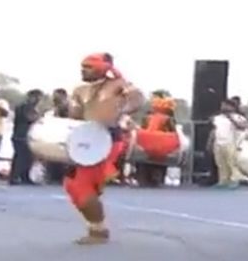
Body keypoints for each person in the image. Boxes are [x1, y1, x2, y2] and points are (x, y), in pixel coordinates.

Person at [65, 52, 145, 245]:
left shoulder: (117, 85)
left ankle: (98, 231)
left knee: (82, 186)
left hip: (107, 140)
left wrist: (123, 108)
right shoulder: (80, 89)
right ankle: (96, 227)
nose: (83, 70)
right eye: (82, 66)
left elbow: (138, 98)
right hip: (85, 141)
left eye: (89, 66)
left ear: (103, 68)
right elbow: (75, 116)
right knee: (72, 186)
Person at [135, 96, 178, 188]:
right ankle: (158, 177)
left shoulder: (147, 118)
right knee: (161, 161)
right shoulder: (169, 119)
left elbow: (143, 129)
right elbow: (173, 132)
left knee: (144, 160)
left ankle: (143, 178)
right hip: (162, 144)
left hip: (146, 143)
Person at [211, 98, 248, 188]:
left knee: (231, 163)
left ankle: (234, 180)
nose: (223, 107)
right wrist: (211, 141)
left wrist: (231, 118)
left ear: (232, 107)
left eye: (226, 105)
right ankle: (223, 181)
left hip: (230, 142)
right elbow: (214, 130)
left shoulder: (238, 117)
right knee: (220, 163)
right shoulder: (217, 118)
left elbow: (243, 127)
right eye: (222, 105)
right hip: (218, 142)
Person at [10, 89, 44, 185]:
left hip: (26, 135)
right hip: (21, 135)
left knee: (27, 157)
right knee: (21, 157)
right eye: (36, 97)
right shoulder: (24, 107)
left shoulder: (31, 107)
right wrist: (39, 118)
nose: (38, 100)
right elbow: (29, 118)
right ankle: (15, 177)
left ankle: (24, 176)